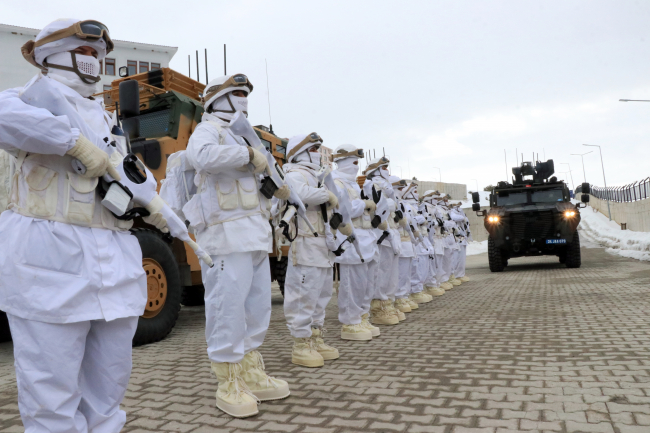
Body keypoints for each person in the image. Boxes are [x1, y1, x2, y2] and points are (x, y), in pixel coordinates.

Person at [0, 18, 151, 432]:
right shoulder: (25, 99)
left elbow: (137, 178)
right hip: (49, 263)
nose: (90, 59)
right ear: (51, 55)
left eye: (95, 54)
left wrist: (147, 196)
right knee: (51, 394)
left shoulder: (108, 121)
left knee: (109, 386)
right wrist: (72, 141)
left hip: (113, 262)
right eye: (81, 50)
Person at [186, 73, 290, 418]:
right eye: (237, 93)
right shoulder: (210, 130)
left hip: (255, 235)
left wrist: (275, 181)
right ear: (217, 99)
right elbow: (200, 157)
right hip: (225, 236)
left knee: (257, 307)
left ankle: (250, 371)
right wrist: (247, 153)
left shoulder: (245, 135)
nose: (243, 99)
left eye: (245, 94)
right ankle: (227, 380)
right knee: (226, 307)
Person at [282, 132, 339, 367]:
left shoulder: (318, 176)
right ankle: (301, 344)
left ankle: (316, 338)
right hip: (305, 243)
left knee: (321, 295)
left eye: (318, 149)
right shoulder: (294, 173)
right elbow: (300, 194)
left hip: (323, 244)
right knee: (303, 296)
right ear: (299, 152)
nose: (317, 154)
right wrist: (327, 195)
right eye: (313, 149)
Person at [331, 144, 378, 340]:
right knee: (352, 284)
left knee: (366, 283)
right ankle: (350, 322)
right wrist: (363, 204)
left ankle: (362, 316)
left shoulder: (352, 184)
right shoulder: (336, 182)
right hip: (349, 238)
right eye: (354, 162)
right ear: (343, 161)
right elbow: (344, 209)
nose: (356, 167)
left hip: (365, 236)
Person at [364, 157, 401, 325]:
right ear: (376, 170)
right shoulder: (371, 185)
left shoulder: (387, 188)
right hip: (380, 233)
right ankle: (378, 307)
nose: (387, 170)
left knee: (392, 273)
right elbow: (375, 207)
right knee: (381, 272)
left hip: (391, 231)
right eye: (384, 167)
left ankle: (388, 304)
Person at [401, 182, 434, 304]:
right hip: (412, 238)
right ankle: (414, 291)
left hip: (421, 237)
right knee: (416, 266)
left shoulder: (415, 206)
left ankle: (418, 288)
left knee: (423, 264)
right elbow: (410, 220)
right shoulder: (406, 205)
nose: (417, 194)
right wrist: (421, 219)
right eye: (414, 192)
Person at [392, 177, 419, 313]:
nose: (402, 190)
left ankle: (404, 295)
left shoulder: (403, 204)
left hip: (407, 241)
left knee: (406, 273)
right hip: (398, 241)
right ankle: (398, 297)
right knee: (400, 273)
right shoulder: (391, 203)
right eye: (399, 188)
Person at [420, 190, 445, 297]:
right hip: (430, 238)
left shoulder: (436, 208)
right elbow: (426, 221)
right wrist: (436, 222)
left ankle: (436, 282)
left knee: (438, 262)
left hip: (438, 237)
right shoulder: (424, 207)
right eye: (434, 198)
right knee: (431, 264)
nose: (436, 200)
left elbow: (441, 222)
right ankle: (430, 284)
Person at [450, 203, 471, 282]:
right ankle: (456, 275)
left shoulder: (461, 212)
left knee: (462, 260)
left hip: (463, 238)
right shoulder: (451, 212)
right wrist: (462, 218)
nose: (458, 208)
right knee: (456, 259)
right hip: (457, 239)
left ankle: (461, 274)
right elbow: (453, 217)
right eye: (457, 206)